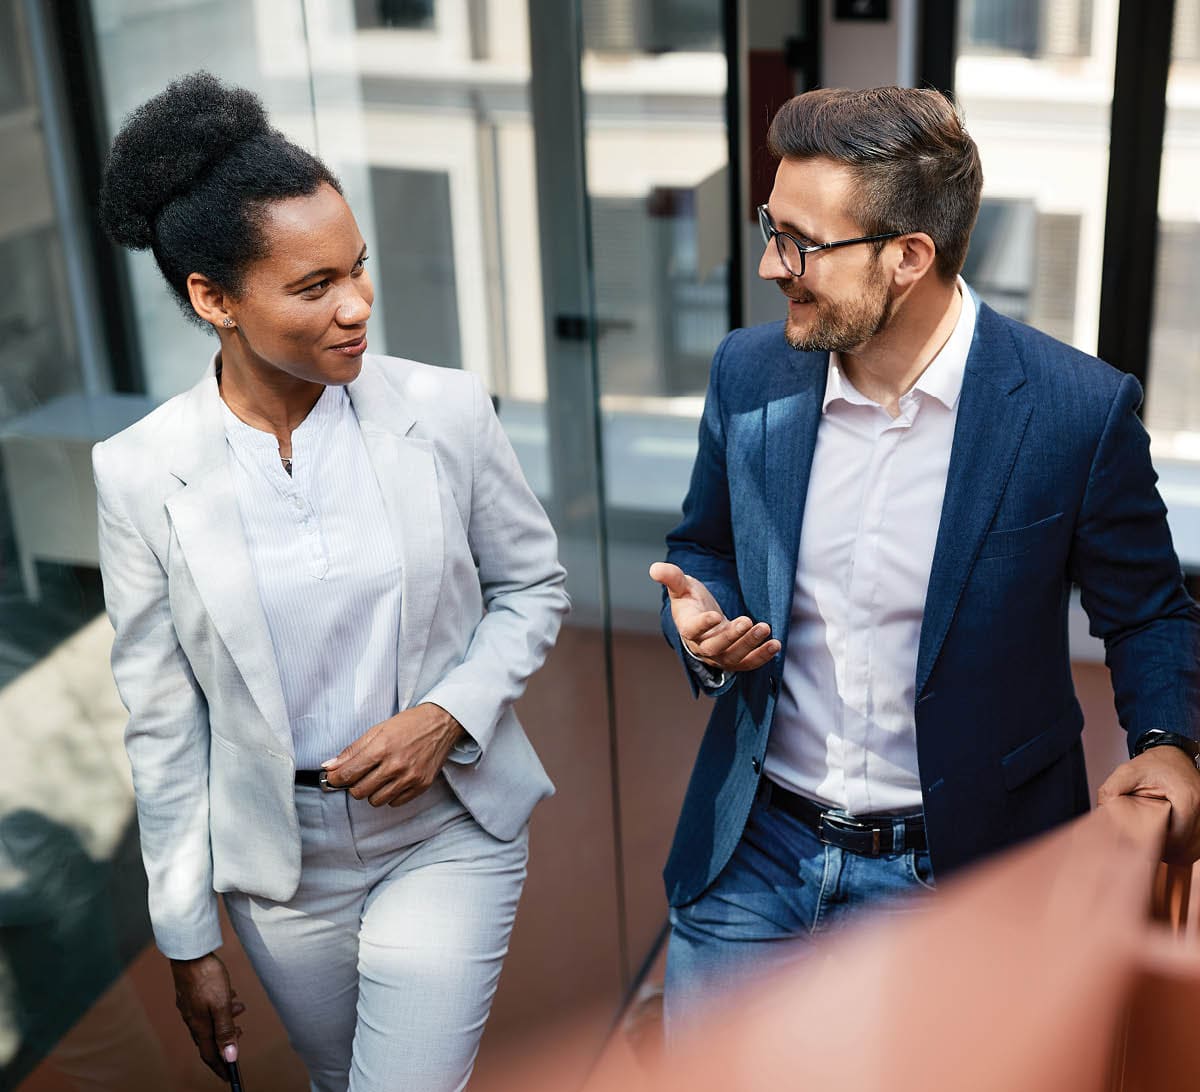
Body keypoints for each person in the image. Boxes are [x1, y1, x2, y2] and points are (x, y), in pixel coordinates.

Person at [650, 86, 1200, 1030]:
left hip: (965, 871)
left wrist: (1171, 745)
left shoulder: (1075, 411)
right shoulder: (748, 371)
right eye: (770, 227)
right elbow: (707, 543)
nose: (770, 264)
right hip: (755, 852)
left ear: (909, 257)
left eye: (802, 243)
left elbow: (1148, 613)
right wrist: (705, 618)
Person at [94, 72, 568, 1091]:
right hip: (284, 868)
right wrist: (186, 936)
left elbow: (533, 588)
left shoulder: (442, 413)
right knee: (338, 1079)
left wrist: (446, 710)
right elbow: (163, 719)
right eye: (314, 288)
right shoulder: (140, 471)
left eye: (358, 269)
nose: (356, 307)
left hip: (447, 828)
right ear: (213, 299)